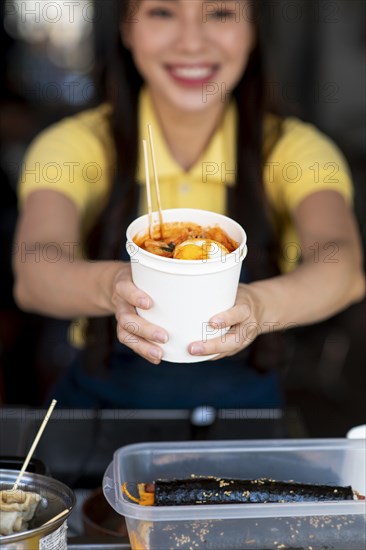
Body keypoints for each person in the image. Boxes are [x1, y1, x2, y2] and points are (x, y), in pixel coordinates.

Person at [13, 0, 365, 408]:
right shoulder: (75, 146)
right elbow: (35, 268)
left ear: (253, 30)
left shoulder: (294, 150)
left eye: (219, 14)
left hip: (243, 418)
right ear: (126, 28)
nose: (191, 42)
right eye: (162, 12)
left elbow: (341, 264)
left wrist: (260, 306)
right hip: (99, 415)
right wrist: (112, 287)